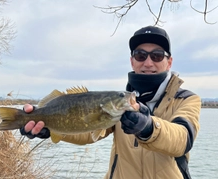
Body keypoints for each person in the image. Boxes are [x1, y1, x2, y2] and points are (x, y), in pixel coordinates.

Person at [20, 26, 201, 179]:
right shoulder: (119, 102)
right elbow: (90, 131)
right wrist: (49, 127)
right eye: (140, 55)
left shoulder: (187, 99)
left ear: (169, 62)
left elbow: (182, 140)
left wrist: (148, 128)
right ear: (132, 61)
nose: (147, 62)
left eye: (156, 55)